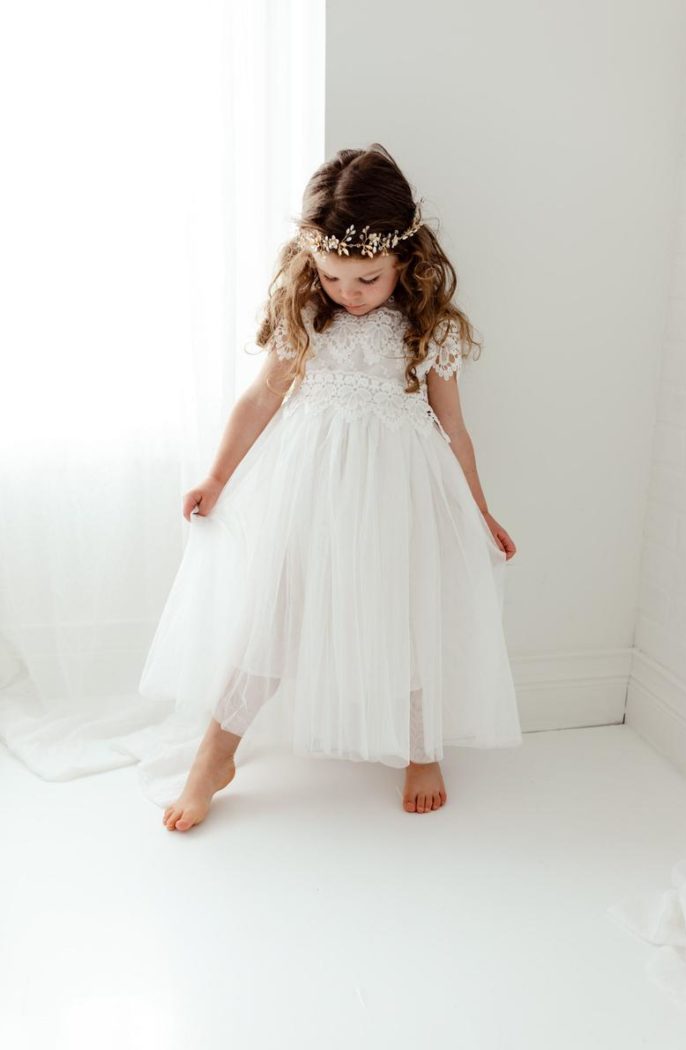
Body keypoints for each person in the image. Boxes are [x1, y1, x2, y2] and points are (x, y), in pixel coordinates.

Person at [138, 142, 522, 831]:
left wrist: (479, 510)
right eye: (334, 275)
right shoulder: (308, 314)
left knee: (406, 612)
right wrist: (218, 475)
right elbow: (261, 399)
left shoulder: (427, 327)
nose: (349, 292)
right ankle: (213, 756)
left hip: (398, 491)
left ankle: (419, 747)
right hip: (309, 488)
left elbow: (454, 428)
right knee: (274, 614)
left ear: (403, 260)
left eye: (367, 279)